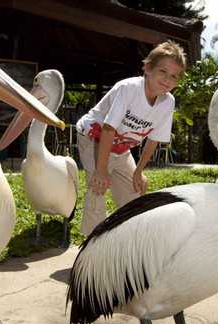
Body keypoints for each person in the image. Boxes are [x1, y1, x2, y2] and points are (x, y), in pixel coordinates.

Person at [75, 41, 186, 236]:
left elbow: (154, 139)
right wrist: (101, 170)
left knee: (135, 194)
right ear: (147, 68)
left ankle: (126, 241)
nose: (167, 79)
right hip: (94, 137)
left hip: (120, 147)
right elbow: (108, 129)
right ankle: (91, 247)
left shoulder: (168, 102)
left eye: (173, 76)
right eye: (162, 71)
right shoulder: (129, 89)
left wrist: (138, 171)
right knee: (98, 188)